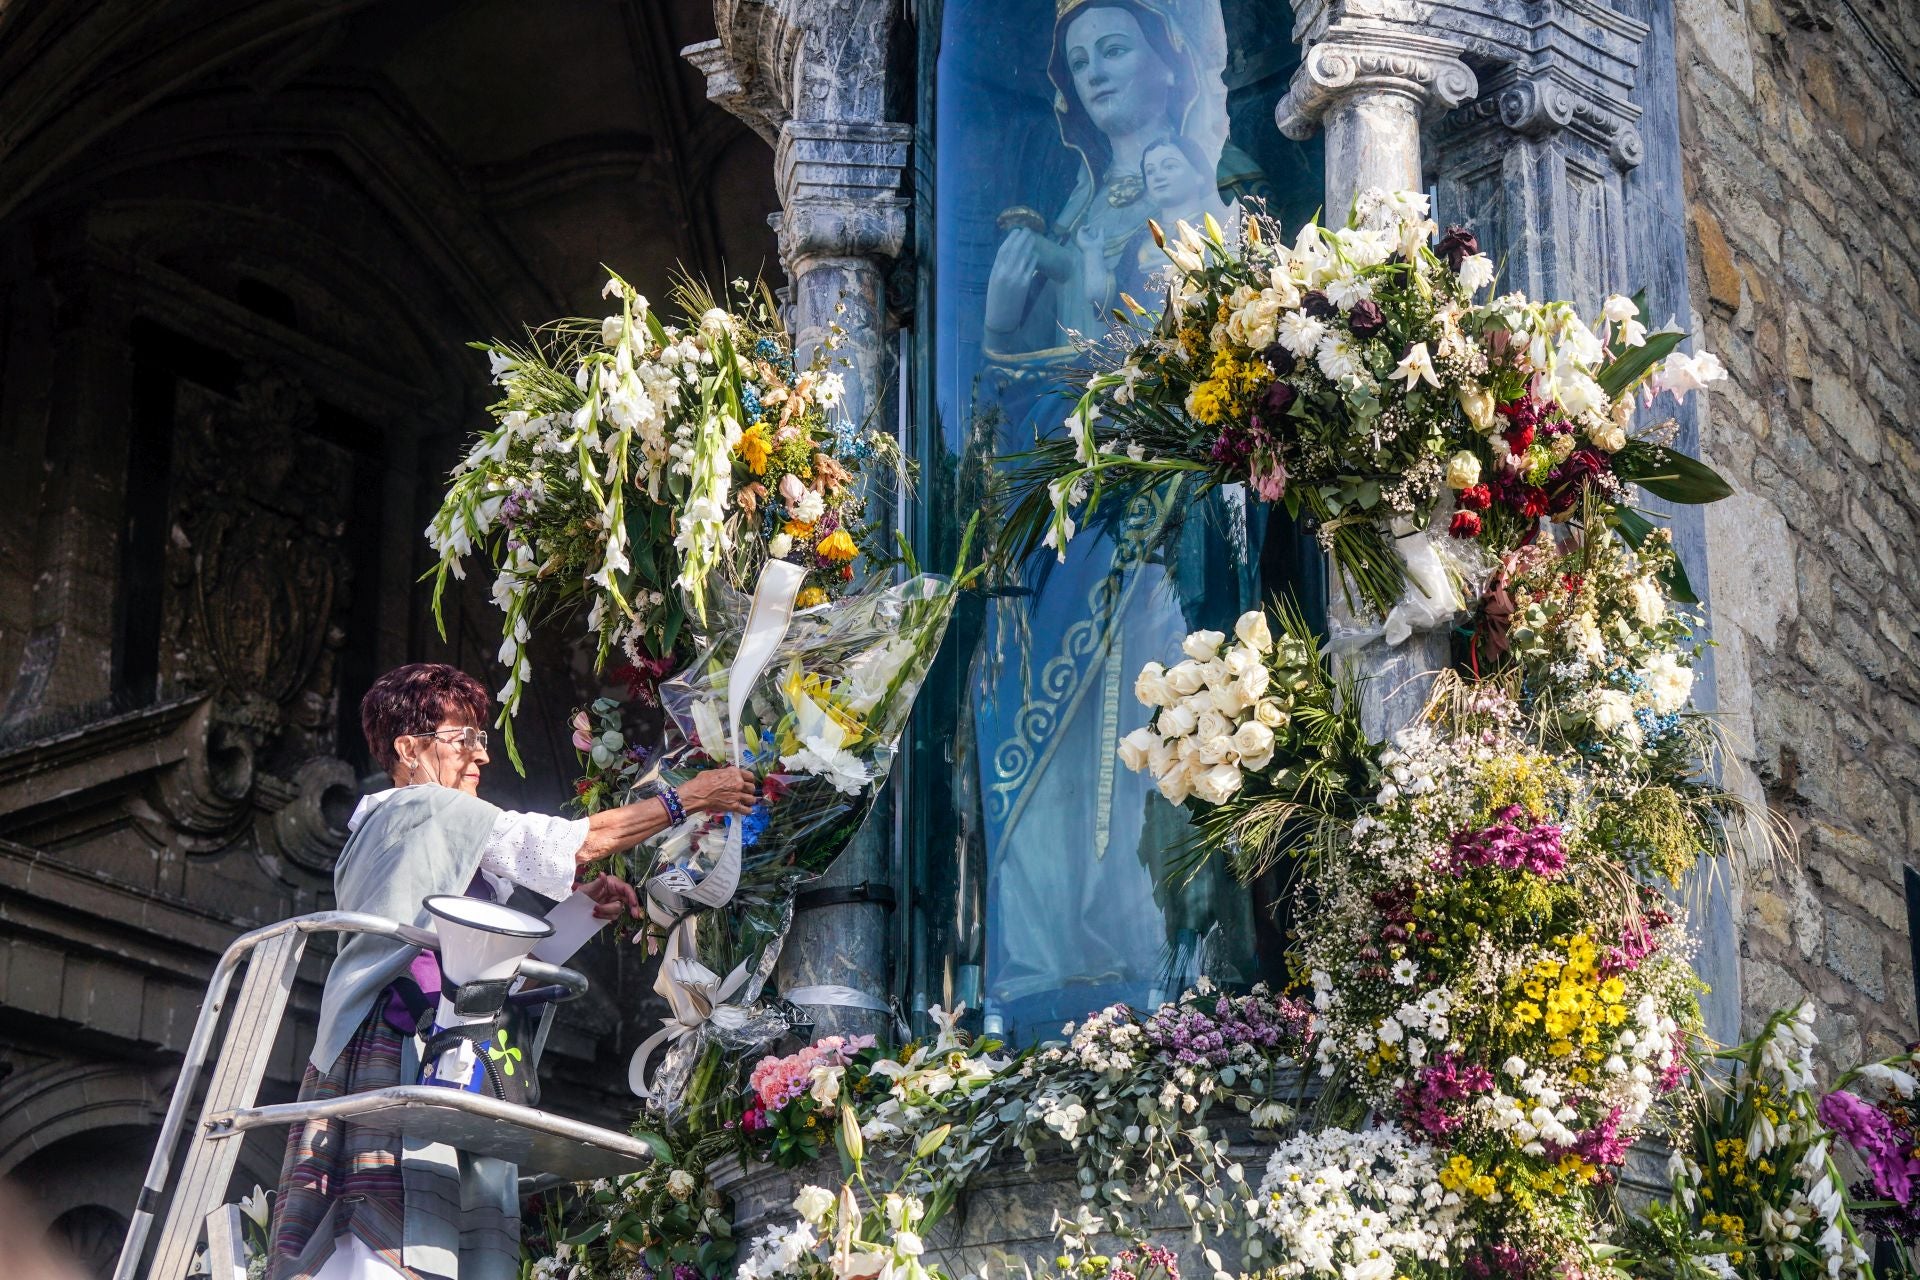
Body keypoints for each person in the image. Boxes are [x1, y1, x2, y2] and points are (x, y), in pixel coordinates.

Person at [266, 663, 756, 1280]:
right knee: (397, 1236)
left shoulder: (403, 826)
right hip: (406, 1046)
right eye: (462, 739)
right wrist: (689, 798)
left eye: (480, 739)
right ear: (408, 749)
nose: (480, 755)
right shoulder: (423, 807)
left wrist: (577, 914)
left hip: (442, 1047)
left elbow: (479, 968)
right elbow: (573, 843)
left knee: (419, 1233)